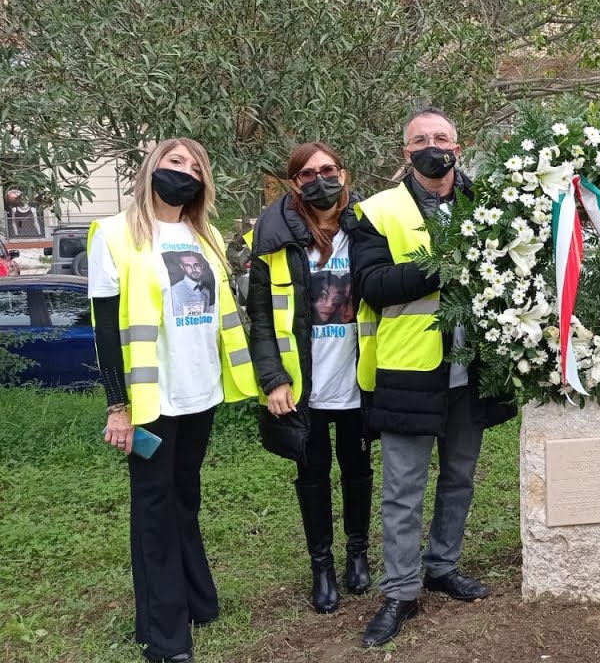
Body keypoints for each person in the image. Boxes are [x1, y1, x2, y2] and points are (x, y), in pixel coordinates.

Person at [87, 139, 257, 663]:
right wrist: (119, 406)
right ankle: (163, 634)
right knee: (154, 507)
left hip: (200, 390)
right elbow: (107, 330)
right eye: (175, 162)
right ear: (151, 169)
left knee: (185, 496)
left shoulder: (201, 235)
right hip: (150, 400)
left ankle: (197, 601)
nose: (186, 172)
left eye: (196, 165)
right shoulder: (113, 234)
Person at [354, 105, 514, 647]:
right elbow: (372, 284)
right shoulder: (376, 210)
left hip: (475, 369)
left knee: (460, 476)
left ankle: (442, 565)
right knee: (403, 487)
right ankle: (400, 589)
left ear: (458, 146)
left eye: (441, 137)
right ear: (406, 153)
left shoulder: (490, 203)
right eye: (420, 139)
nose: (432, 146)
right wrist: (443, 262)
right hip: (410, 370)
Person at [244, 142, 373, 615]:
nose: (321, 179)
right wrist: (273, 379)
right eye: (309, 173)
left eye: (329, 169)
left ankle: (357, 553)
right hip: (304, 388)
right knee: (313, 476)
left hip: (358, 379)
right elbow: (259, 316)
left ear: (344, 172)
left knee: (358, 471)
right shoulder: (274, 238)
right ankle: (322, 566)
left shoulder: (366, 228)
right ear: (294, 183)